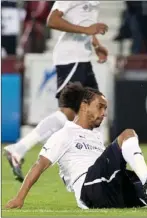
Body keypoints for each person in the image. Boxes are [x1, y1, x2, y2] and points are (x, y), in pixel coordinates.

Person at [5, 83, 147, 209]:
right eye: (100, 107)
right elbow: (39, 165)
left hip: (112, 192)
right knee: (127, 134)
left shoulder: (96, 138)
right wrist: (19, 198)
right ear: (84, 106)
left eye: (105, 108)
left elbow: (112, 167)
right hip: (90, 190)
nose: (104, 113)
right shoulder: (64, 134)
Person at [4, 1, 109, 182]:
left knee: (95, 106)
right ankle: (19, 148)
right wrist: (87, 31)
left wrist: (96, 44)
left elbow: (85, 24)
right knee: (69, 111)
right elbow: (52, 21)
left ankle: (84, 159)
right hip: (70, 58)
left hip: (82, 58)